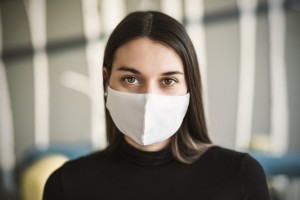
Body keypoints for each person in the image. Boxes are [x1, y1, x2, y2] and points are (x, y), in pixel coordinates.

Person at [43, 11, 270, 200]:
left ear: (189, 86)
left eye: (168, 81)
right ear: (106, 80)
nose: (148, 97)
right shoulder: (66, 185)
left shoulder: (240, 175)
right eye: (131, 79)